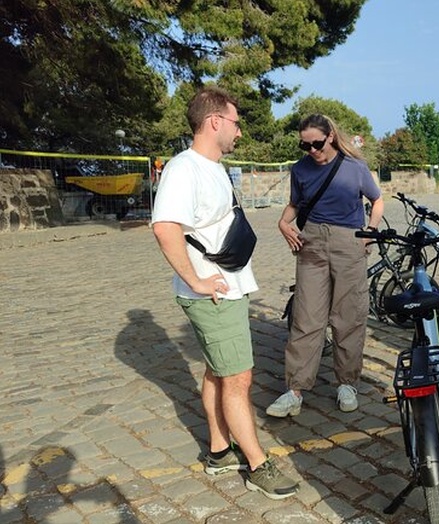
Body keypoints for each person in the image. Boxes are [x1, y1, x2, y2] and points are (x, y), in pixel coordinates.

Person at [151, 85, 298, 500]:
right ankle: (258, 464)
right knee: (238, 378)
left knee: (218, 371)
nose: (239, 131)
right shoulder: (184, 168)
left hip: (226, 286)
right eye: (235, 122)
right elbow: (165, 227)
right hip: (212, 294)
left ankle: (219, 451)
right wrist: (196, 281)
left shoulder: (212, 166)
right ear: (215, 121)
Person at [267, 114, 383, 418]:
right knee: (306, 317)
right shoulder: (300, 169)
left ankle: (347, 384)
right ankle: (294, 390)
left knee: (348, 316)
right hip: (312, 243)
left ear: (330, 136)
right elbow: (295, 204)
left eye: (316, 144)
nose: (311, 151)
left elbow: (377, 200)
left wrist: (370, 232)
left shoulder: (354, 166)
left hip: (349, 242)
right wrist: (283, 223)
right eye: (305, 146)